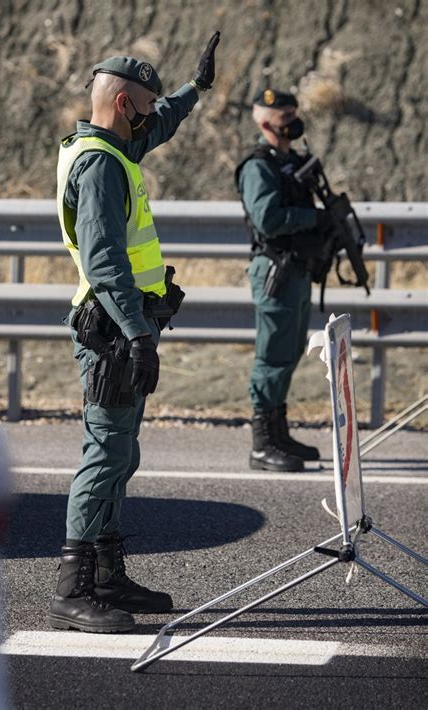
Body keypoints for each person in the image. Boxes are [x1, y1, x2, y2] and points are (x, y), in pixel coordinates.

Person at [50, 33, 220, 633]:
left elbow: (162, 122)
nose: (153, 115)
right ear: (124, 104)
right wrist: (137, 334)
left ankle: (108, 572)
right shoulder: (99, 166)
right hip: (112, 329)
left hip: (124, 327)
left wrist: (193, 90)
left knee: (122, 450)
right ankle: (74, 589)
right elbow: (103, 262)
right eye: (146, 104)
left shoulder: (110, 148)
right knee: (105, 452)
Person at [235, 87, 332, 473]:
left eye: (294, 113)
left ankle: (279, 433)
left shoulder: (290, 162)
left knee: (290, 352)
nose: (292, 121)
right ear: (264, 122)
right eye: (283, 116)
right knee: (273, 355)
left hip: (296, 270)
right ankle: (262, 444)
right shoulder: (259, 166)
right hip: (276, 270)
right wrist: (313, 219)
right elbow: (268, 219)